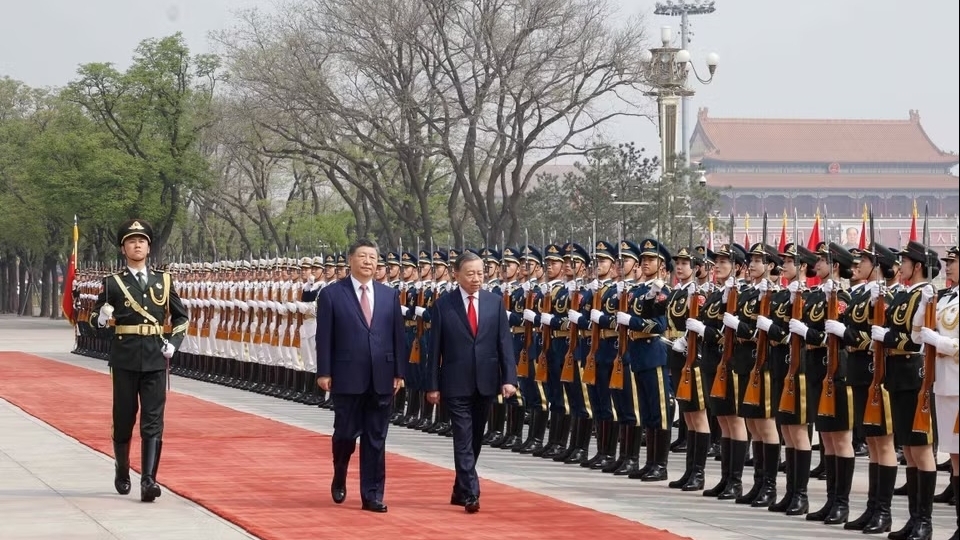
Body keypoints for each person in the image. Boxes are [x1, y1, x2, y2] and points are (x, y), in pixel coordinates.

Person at [90, 219, 189, 502]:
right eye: (132, 241)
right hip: (125, 357)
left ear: (149, 247)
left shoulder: (164, 279)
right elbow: (94, 323)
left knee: (153, 420)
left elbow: (181, 316)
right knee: (123, 418)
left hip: (156, 357)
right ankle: (122, 469)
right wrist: (101, 316)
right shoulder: (112, 283)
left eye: (142, 241)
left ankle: (148, 480)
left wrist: (174, 342)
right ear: (124, 248)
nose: (137, 245)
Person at [315, 239, 407, 513]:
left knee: (376, 439)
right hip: (346, 376)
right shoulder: (332, 294)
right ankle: (340, 470)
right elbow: (324, 336)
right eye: (363, 256)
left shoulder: (389, 295)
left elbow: (398, 336)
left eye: (373, 257)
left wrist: (399, 371)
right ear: (351, 260)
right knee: (345, 434)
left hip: (382, 377)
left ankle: (372, 494)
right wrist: (324, 371)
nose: (369, 262)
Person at [426, 250, 518, 513]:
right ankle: (471, 492)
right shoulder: (444, 304)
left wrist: (509, 378)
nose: (477, 278)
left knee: (476, 436)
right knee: (462, 437)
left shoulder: (494, 302)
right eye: (471, 273)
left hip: (486, 380)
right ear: (457, 275)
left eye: (480, 273)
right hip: (455, 382)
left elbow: (504, 343)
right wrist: (432, 385)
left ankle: (459, 487)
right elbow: (435, 349)